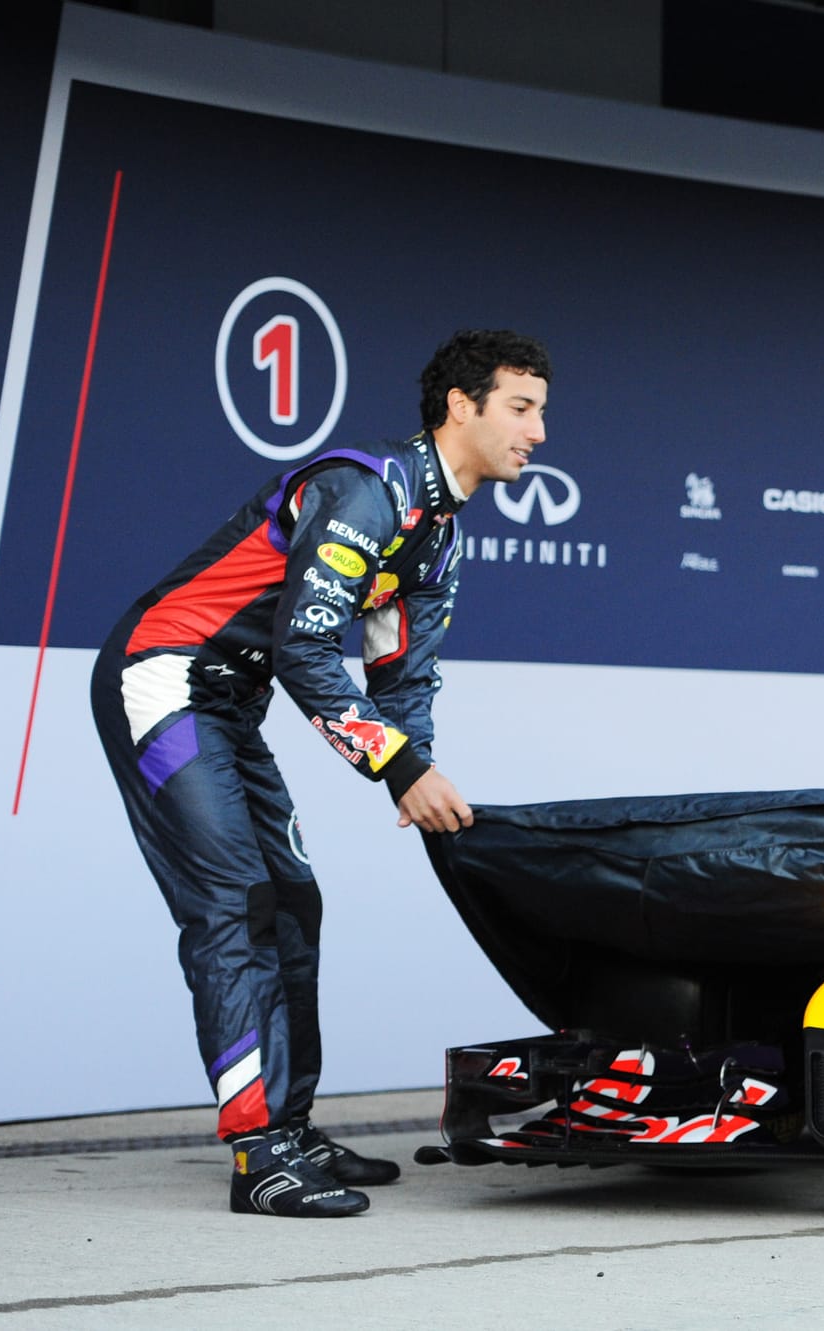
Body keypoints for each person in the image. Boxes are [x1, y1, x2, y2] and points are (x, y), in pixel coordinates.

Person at [91, 329, 551, 1217]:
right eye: (522, 409)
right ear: (463, 405)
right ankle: (258, 1155)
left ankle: (292, 1131)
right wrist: (399, 768)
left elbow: (400, 678)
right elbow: (305, 649)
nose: (537, 432)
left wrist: (416, 776)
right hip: (161, 674)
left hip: (228, 704)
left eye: (540, 412)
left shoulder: (439, 538)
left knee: (295, 904)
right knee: (234, 903)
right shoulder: (366, 490)